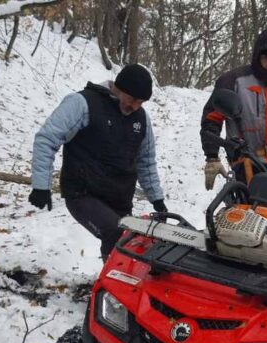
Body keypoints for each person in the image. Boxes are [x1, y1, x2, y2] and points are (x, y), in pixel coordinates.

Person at [28, 64, 167, 261]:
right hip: (83, 193)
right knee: (116, 233)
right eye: (132, 99)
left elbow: (146, 161)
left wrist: (157, 199)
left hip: (119, 198)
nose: (135, 106)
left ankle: (121, 286)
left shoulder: (141, 119)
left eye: (141, 102)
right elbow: (47, 139)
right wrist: (41, 185)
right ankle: (111, 288)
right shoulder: (83, 103)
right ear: (118, 88)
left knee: (131, 241)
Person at [200, 27, 267, 189]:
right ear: (258, 57)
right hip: (244, 162)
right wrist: (212, 156)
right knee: (245, 210)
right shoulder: (233, 81)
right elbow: (212, 120)